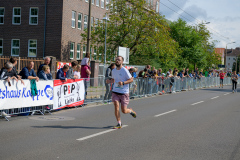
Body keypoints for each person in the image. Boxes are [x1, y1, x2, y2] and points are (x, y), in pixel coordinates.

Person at [106, 56, 137, 129]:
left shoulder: (125, 70)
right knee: (116, 106)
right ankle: (119, 123)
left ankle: (130, 111)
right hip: (115, 91)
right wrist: (109, 81)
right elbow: (114, 80)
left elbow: (131, 80)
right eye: (116, 59)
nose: (117, 61)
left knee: (124, 110)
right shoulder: (113, 70)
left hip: (124, 92)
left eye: (119, 60)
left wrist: (123, 83)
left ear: (122, 62)